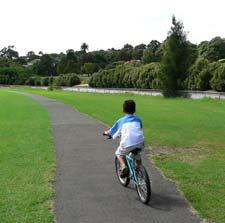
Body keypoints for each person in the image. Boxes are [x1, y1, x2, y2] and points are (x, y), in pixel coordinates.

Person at [104, 100, 144, 178]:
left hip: (127, 143)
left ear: (123, 110)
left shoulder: (121, 121)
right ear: (134, 109)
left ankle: (123, 166)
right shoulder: (138, 119)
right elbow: (139, 127)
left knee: (118, 153)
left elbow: (111, 131)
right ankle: (140, 169)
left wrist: (106, 133)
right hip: (140, 142)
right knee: (137, 154)